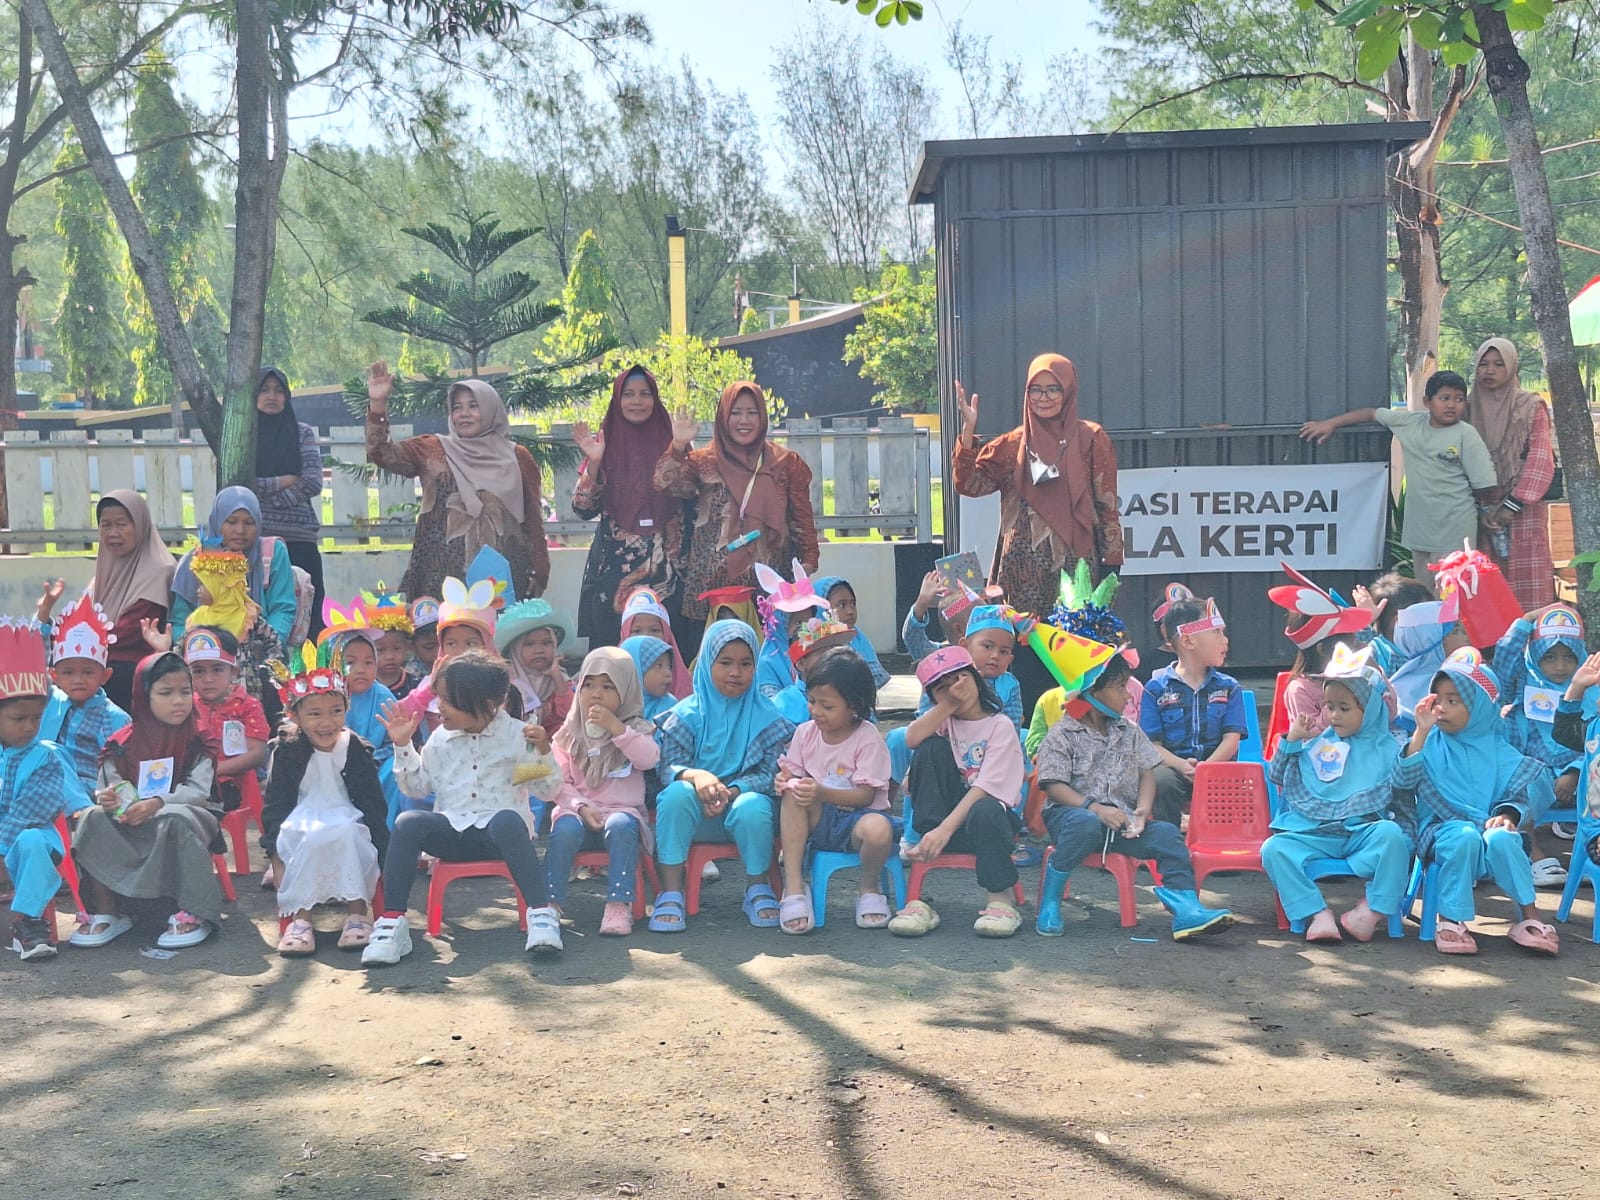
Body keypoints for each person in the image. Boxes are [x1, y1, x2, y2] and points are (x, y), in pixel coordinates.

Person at [363, 650, 563, 965]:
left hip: (501, 838)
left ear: (486, 704)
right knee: (407, 822)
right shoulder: (440, 739)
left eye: (448, 700)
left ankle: (540, 914)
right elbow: (416, 788)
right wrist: (403, 745)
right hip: (453, 835)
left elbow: (546, 790)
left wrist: (541, 752)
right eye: (439, 697)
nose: (439, 706)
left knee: (508, 820)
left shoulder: (517, 736)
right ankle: (392, 922)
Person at [951, 354, 1122, 709]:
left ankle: (1073, 728)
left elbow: (1106, 502)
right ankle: (1026, 726)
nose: (1044, 398)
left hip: (1074, 571)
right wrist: (968, 430)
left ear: (1069, 391)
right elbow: (969, 485)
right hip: (1019, 572)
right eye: (1036, 390)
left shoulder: (1091, 438)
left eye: (1053, 389)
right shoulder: (1012, 444)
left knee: (1070, 653)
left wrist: (1112, 562)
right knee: (1023, 652)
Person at [1033, 653, 1233, 941]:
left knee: (1166, 834)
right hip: (1071, 819)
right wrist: (1095, 809)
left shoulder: (1129, 730)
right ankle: (1050, 902)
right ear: (1092, 692)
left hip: (1122, 822)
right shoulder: (1062, 733)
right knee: (1085, 823)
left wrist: (1141, 811)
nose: (1127, 695)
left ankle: (1186, 908)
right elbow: (1053, 785)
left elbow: (1147, 771)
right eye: (1119, 687)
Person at [1393, 648, 1558, 956]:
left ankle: (1529, 916)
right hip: (1441, 832)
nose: (1442, 707)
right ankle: (1450, 919)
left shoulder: (1500, 750)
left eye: (1454, 701)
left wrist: (1508, 815)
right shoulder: (1429, 744)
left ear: (1480, 706)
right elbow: (1402, 782)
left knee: (1504, 838)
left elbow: (1519, 795)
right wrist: (1421, 732)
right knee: (1464, 835)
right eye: (1438, 699)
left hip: (1488, 834)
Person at [650, 620, 795, 933]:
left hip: (744, 811)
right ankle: (671, 891)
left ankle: (758, 887)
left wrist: (734, 790)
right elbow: (668, 766)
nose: (735, 672)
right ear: (706, 664)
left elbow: (770, 773)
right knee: (674, 795)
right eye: (725, 663)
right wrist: (696, 776)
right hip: (695, 814)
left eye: (746, 664)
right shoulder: (686, 715)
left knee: (754, 804)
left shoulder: (767, 716)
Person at [364, 361, 551, 604]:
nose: (464, 413)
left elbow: (533, 519)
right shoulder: (432, 449)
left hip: (500, 580)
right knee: (436, 629)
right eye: (457, 407)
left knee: (498, 629)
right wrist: (378, 404)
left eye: (473, 406)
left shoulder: (518, 457)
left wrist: (539, 571)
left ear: (491, 409)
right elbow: (381, 453)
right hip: (437, 578)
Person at [71, 653, 222, 950]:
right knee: (91, 816)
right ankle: (108, 910)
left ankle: (193, 911)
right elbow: (109, 788)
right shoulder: (121, 743)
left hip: (191, 812)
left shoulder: (199, 737)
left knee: (175, 819)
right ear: (144, 695)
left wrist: (157, 803)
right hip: (132, 816)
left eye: (185, 692)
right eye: (166, 693)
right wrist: (111, 800)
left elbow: (199, 791)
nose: (178, 701)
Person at [1263, 648, 1411, 943]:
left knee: (1394, 836)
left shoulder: (1390, 749)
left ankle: (1370, 911)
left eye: (1344, 708)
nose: (1333, 715)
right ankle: (1316, 913)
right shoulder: (1319, 743)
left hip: (1363, 835)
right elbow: (1277, 775)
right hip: (1315, 834)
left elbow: (1405, 801)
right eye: (1329, 707)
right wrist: (1292, 739)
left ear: (1370, 709)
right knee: (1273, 849)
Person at [654, 382, 818, 646]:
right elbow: (665, 486)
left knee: (767, 657)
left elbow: (801, 519)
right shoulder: (703, 461)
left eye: (752, 413)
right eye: (736, 412)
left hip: (770, 585)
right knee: (713, 656)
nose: (744, 420)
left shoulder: (786, 463)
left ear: (763, 416)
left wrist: (807, 564)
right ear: (723, 416)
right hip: (711, 586)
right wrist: (678, 446)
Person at [1301, 371, 1497, 584]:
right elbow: (1371, 414)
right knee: (1426, 589)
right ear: (1427, 401)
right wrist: (1331, 424)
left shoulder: (1466, 434)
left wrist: (1484, 511)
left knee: (1453, 591)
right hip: (1420, 526)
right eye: (1444, 398)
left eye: (1458, 399)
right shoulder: (1409, 423)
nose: (1451, 405)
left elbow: (1484, 484)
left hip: (1455, 526)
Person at [886, 647, 1026, 939]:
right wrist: (948, 704)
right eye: (942, 687)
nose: (954, 689)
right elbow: (911, 739)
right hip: (941, 825)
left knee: (985, 808)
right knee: (929, 747)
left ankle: (1001, 900)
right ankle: (919, 902)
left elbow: (986, 787)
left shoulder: (999, 725)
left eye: (959, 679)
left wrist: (944, 830)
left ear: (975, 677)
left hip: (990, 824)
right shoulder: (944, 721)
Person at [261, 655, 388, 956]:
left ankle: (357, 912)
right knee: (308, 838)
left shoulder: (354, 748)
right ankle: (301, 918)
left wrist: (383, 845)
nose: (327, 722)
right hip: (300, 819)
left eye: (336, 711)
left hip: (348, 815)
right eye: (314, 714)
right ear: (294, 715)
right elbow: (276, 803)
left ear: (347, 708)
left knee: (348, 834)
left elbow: (372, 801)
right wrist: (273, 852)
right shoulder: (287, 750)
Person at [775, 648, 896, 934]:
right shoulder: (805, 733)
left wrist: (821, 792)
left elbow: (865, 797)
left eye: (827, 706)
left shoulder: (866, 737)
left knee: (880, 830)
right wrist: (785, 780)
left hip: (857, 821)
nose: (816, 711)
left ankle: (869, 886)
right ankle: (794, 886)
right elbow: (793, 773)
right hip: (818, 820)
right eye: (812, 701)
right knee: (792, 795)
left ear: (854, 706)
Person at [545, 648, 660, 937]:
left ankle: (618, 904)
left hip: (621, 814)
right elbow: (558, 782)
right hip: (578, 812)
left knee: (621, 825)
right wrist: (580, 806)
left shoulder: (636, 728)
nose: (596, 694)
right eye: (589, 685)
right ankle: (549, 905)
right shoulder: (569, 733)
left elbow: (648, 760)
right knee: (565, 828)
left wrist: (618, 729)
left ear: (626, 691)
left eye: (608, 687)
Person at [571, 366, 682, 649]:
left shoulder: (674, 442)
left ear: (655, 399)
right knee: (613, 660)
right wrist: (595, 462)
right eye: (628, 394)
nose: (637, 401)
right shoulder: (604, 444)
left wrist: (679, 450)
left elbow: (692, 495)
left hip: (668, 576)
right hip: (613, 577)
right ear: (617, 400)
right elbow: (582, 509)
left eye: (645, 394)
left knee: (668, 655)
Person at [36, 491, 174, 711]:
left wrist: (73, 645)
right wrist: (46, 618)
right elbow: (77, 623)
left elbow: (127, 633)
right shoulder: (104, 572)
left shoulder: (159, 570)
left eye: (121, 524)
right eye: (106, 525)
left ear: (140, 525)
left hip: (128, 675)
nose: (112, 533)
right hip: (92, 665)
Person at [0, 619, 85, 961]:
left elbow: (29, 811)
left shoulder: (46, 758)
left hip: (25, 842)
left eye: (36, 718)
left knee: (33, 840)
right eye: (18, 719)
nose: (29, 727)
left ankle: (29, 922)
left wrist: (1, 850)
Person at [170, 487, 298, 693]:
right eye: (231, 522)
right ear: (217, 521)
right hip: (204, 664)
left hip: (258, 660)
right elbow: (179, 620)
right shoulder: (197, 562)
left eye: (249, 523)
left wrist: (261, 652)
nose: (240, 530)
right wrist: (205, 650)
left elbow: (283, 608)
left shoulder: (272, 553)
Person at [1491, 604, 1583, 886]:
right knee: (1520, 785)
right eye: (1549, 656)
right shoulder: (1524, 682)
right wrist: (1525, 622)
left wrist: (1576, 770)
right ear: (1534, 655)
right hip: (1535, 775)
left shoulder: (1590, 687)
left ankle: (1590, 856)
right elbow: (1504, 660)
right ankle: (1533, 853)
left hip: (1583, 778)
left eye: (1569, 657)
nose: (1560, 666)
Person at [1139, 588, 1247, 827]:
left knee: (1236, 779)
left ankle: (1220, 837)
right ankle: (1168, 837)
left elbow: (1231, 740)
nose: (1225, 640)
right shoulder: (1155, 688)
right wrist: (1181, 765)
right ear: (1188, 640)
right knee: (1160, 779)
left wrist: (1206, 769)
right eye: (1216, 632)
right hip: (1175, 769)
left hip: (1218, 768)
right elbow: (1151, 745)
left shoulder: (1229, 687)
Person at [1469, 338, 1557, 608]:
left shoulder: (1530, 406)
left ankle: (1533, 635)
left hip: (1523, 510)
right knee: (1486, 592)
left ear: (1512, 367)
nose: (1490, 371)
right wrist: (1480, 510)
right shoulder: (1466, 407)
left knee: (1529, 585)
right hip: (1480, 512)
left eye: (1499, 364)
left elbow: (1541, 459)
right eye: (1483, 364)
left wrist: (1512, 505)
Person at [253, 367, 327, 637]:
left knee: (309, 612)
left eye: (278, 390)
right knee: (262, 611)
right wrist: (284, 481)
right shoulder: (244, 436)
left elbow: (312, 482)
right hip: (258, 540)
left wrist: (266, 499)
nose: (272, 396)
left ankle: (314, 664)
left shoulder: (301, 433)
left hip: (299, 538)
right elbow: (241, 484)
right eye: (264, 390)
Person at [180, 627, 269, 842]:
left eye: (217, 669)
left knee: (192, 808)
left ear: (234, 672)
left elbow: (258, 754)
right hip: (187, 782)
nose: (208, 679)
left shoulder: (248, 706)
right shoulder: (184, 705)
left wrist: (213, 770)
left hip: (229, 785)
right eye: (198, 671)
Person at [41, 593, 129, 803]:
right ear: (54, 675)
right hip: (48, 784)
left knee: (49, 753)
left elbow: (122, 767)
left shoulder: (115, 717)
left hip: (93, 791)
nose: (78, 680)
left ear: (105, 676)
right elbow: (33, 665)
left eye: (88, 672)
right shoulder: (50, 700)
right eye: (68, 672)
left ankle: (82, 810)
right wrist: (43, 617)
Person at [494, 598, 575, 737]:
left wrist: (557, 677)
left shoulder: (561, 678)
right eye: (529, 644)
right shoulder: (505, 679)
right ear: (515, 650)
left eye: (546, 643)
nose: (539, 650)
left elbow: (569, 713)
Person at [811, 576, 891, 689]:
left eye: (853, 604)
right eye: (842, 605)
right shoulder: (814, 646)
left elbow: (876, 678)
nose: (850, 611)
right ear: (821, 608)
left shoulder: (857, 638)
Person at [619, 587, 690, 701]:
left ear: (667, 634)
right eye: (636, 631)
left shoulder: (683, 690)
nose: (646, 636)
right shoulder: (611, 682)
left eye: (654, 630)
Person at [622, 635, 679, 723]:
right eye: (658, 666)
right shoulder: (615, 704)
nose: (668, 673)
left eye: (669, 667)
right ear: (635, 670)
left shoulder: (671, 707)